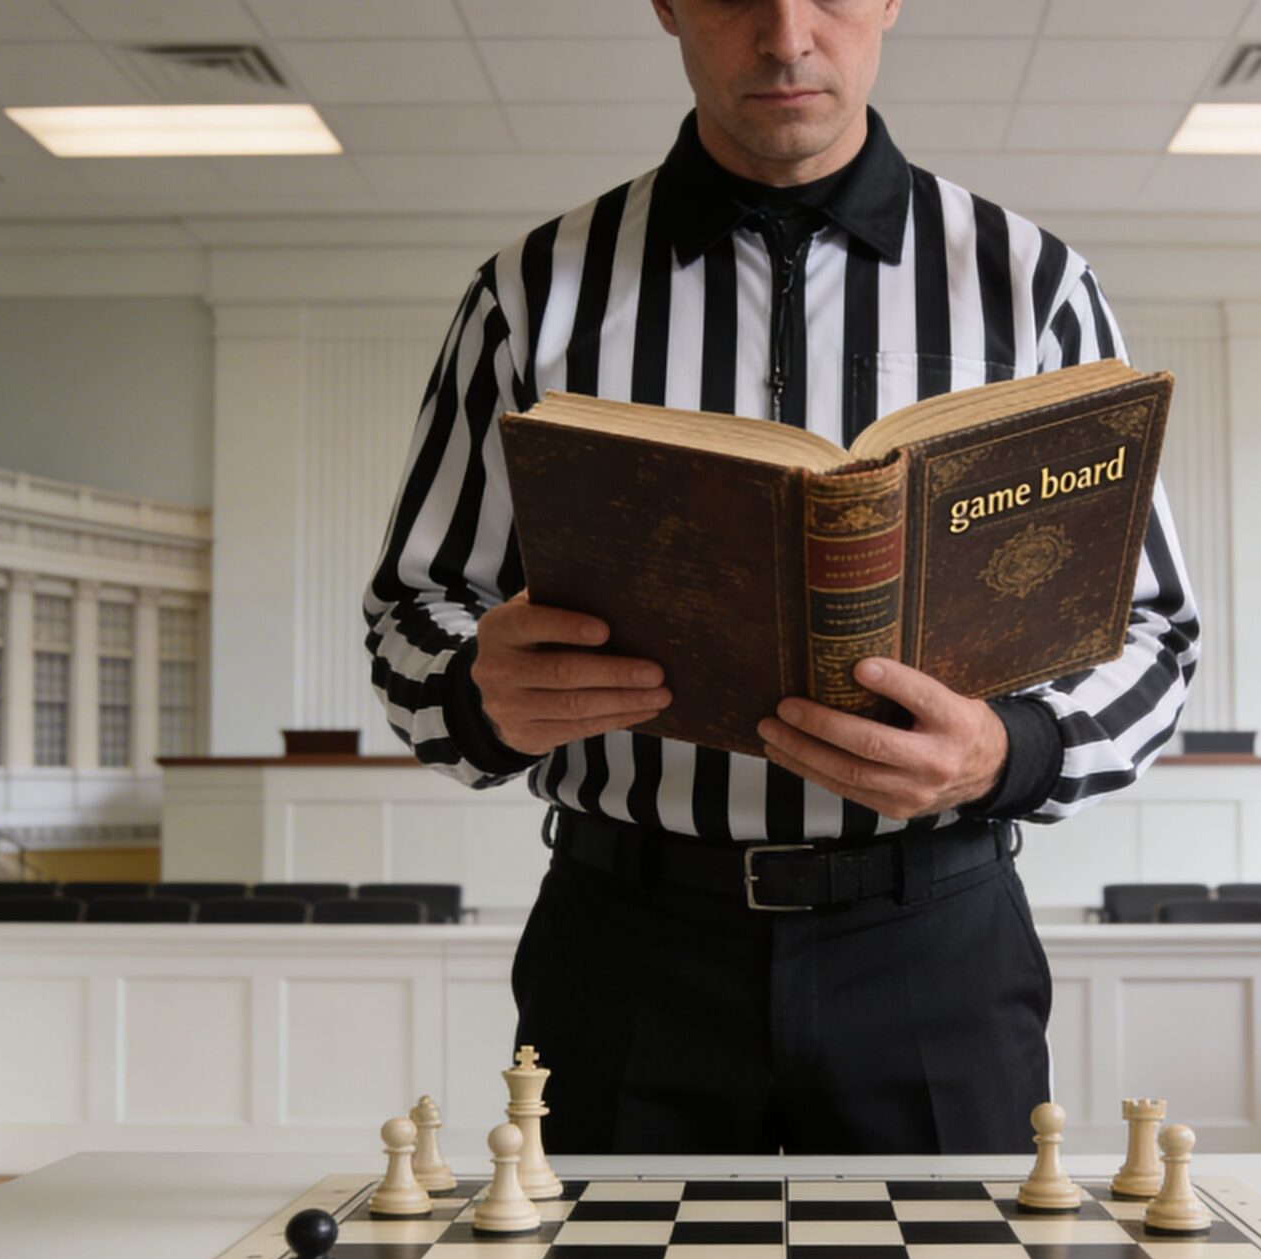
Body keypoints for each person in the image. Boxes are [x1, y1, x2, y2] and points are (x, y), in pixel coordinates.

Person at [364, 0, 1198, 1155]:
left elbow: (1151, 632)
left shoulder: (1033, 282)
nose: (786, 34)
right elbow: (415, 608)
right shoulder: (531, 292)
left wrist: (1012, 753)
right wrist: (475, 692)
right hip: (627, 947)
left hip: (935, 944)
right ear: (664, 5)